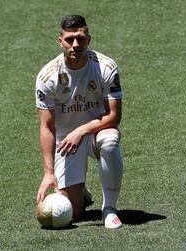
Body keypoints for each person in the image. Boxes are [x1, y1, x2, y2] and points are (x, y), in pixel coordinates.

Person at [35, 15, 124, 229]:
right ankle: (80, 193)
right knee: (71, 211)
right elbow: (47, 127)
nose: (75, 44)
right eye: (69, 39)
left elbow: (114, 116)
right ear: (60, 42)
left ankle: (109, 209)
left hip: (96, 132)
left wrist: (81, 131)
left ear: (88, 40)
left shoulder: (105, 67)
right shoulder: (47, 77)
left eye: (80, 38)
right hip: (66, 142)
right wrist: (48, 173)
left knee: (110, 141)